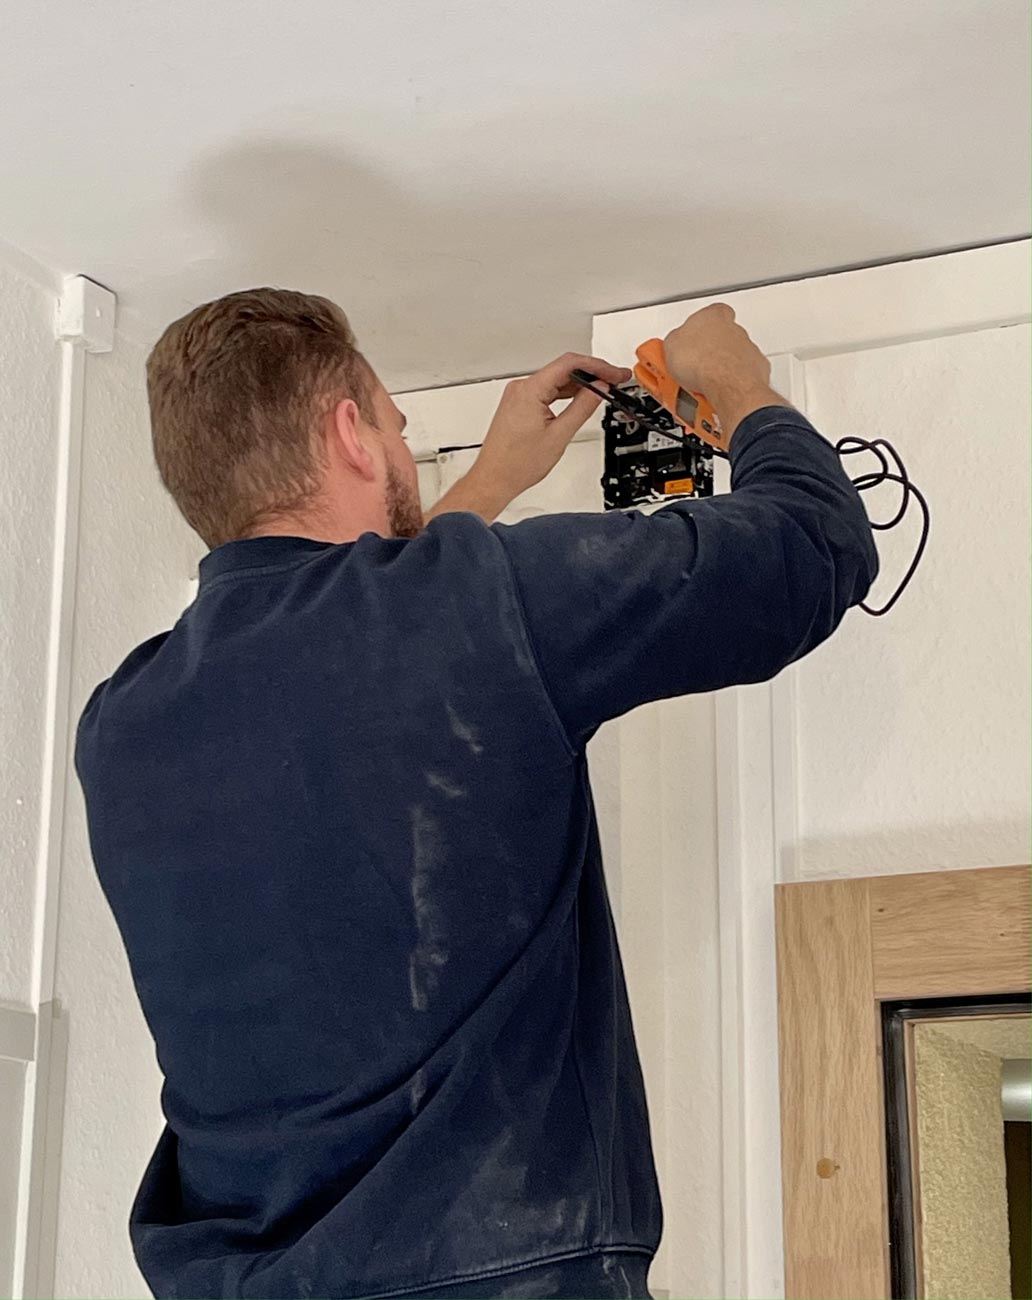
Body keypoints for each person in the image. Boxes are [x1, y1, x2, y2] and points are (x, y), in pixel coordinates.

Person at [76, 290, 877, 1300]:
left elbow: (364, 641)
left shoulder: (122, 720)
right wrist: (740, 381)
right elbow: (814, 546)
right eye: (396, 428)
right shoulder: (467, 604)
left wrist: (492, 479)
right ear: (349, 434)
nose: (404, 453)